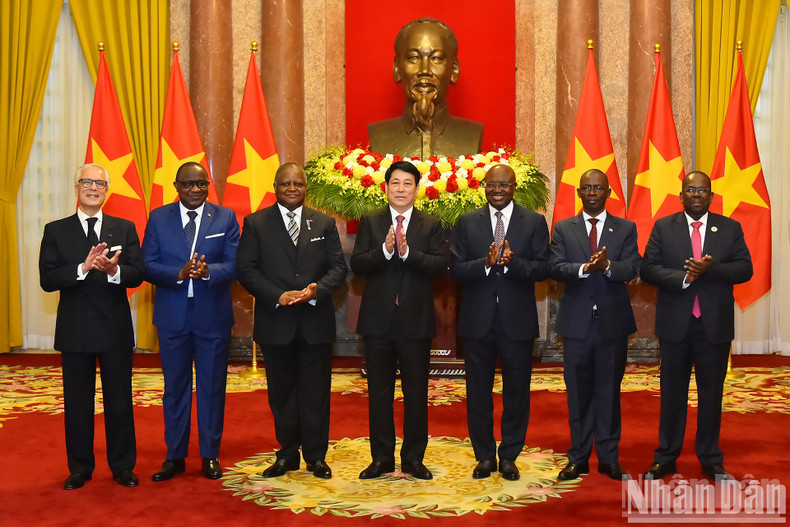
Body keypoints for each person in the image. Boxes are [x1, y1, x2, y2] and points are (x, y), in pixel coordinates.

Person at [236, 163, 347, 479]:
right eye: (286, 183)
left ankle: (316, 456)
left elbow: (338, 268)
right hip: (276, 322)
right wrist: (277, 295)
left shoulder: (323, 223)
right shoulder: (256, 223)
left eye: (298, 183)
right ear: (275, 186)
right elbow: (246, 269)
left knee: (316, 394)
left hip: (315, 320)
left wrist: (317, 290)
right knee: (281, 394)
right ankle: (286, 454)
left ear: (305, 187)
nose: (293, 188)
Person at [640, 171, 752, 481]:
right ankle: (666, 457)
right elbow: (648, 269)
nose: (697, 194)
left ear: (712, 196)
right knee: (672, 392)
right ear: (681, 195)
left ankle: (711, 459)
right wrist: (684, 278)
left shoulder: (730, 228)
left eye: (703, 190)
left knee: (711, 393)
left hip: (714, 326)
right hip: (675, 324)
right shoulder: (664, 227)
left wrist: (711, 269)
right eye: (691, 190)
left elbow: (745, 269)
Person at [39, 164, 143, 490]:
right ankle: (80, 468)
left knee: (119, 402)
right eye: (87, 181)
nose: (93, 187)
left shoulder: (124, 228)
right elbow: (48, 279)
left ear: (107, 190)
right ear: (76, 188)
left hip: (114, 330)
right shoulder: (56, 230)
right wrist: (82, 268)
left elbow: (137, 273)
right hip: (75, 331)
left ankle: (123, 466)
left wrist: (114, 271)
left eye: (100, 183)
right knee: (77, 404)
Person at [449, 164, 549, 481]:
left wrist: (514, 263)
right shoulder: (467, 222)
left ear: (514, 187)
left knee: (516, 392)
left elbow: (544, 268)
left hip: (516, 322)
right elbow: (455, 269)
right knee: (478, 392)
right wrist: (486, 263)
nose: (497, 190)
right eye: (491, 185)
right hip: (477, 322)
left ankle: (508, 456)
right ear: (483, 186)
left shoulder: (533, 222)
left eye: (503, 185)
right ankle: (483, 456)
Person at [142, 161, 240, 481]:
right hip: (172, 318)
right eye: (188, 184)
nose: (195, 190)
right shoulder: (158, 218)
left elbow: (236, 264)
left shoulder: (225, 217)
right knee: (175, 388)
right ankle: (175, 456)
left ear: (208, 185)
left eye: (201, 184)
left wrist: (209, 271)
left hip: (213, 317)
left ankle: (210, 454)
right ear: (176, 186)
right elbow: (147, 264)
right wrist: (178, 274)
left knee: (212, 388)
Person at [350, 160, 446, 480]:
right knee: (379, 393)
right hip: (377, 322)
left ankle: (413, 458)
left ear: (416, 190)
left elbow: (440, 266)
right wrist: (386, 249)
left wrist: (407, 253)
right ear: (386, 187)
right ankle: (381, 459)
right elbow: (359, 264)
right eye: (395, 183)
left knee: (416, 393)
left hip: (415, 322)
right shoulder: (371, 221)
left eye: (408, 183)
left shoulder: (431, 224)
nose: (401, 189)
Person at [548, 168, 640, 481]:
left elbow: (633, 265)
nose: (592, 192)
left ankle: (609, 459)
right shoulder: (563, 228)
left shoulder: (625, 228)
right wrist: (584, 269)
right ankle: (578, 458)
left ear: (608, 192)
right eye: (586, 187)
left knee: (609, 393)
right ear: (578, 192)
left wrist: (609, 266)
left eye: (598, 188)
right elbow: (554, 266)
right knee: (578, 394)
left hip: (612, 325)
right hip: (576, 326)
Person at [367, 17, 483, 159]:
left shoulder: (472, 134)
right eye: (414, 58)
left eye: (436, 58)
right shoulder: (378, 134)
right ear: (397, 69)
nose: (425, 70)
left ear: (454, 70)